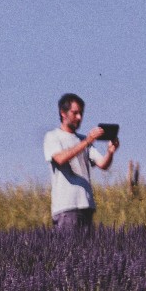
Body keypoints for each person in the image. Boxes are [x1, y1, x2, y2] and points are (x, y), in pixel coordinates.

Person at [44, 93, 118, 232]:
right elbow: (60, 159)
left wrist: (110, 152)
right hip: (66, 207)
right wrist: (87, 142)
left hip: (86, 206)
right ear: (63, 113)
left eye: (81, 113)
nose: (79, 117)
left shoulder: (84, 140)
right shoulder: (52, 137)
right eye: (75, 113)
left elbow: (103, 164)